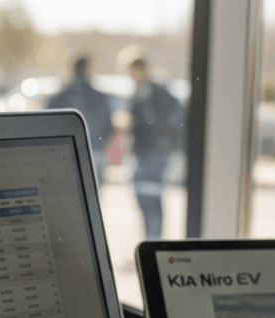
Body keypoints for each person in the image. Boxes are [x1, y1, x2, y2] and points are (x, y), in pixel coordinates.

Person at [123, 49, 182, 239]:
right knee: (144, 200)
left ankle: (153, 240)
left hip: (154, 154)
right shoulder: (137, 93)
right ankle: (149, 239)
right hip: (143, 153)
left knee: (151, 200)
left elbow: (169, 122)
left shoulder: (157, 93)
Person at [47, 55, 113, 186]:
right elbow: (107, 125)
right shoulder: (98, 96)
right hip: (94, 150)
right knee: (93, 196)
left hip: (66, 152)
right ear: (88, 69)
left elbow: (48, 124)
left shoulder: (60, 96)